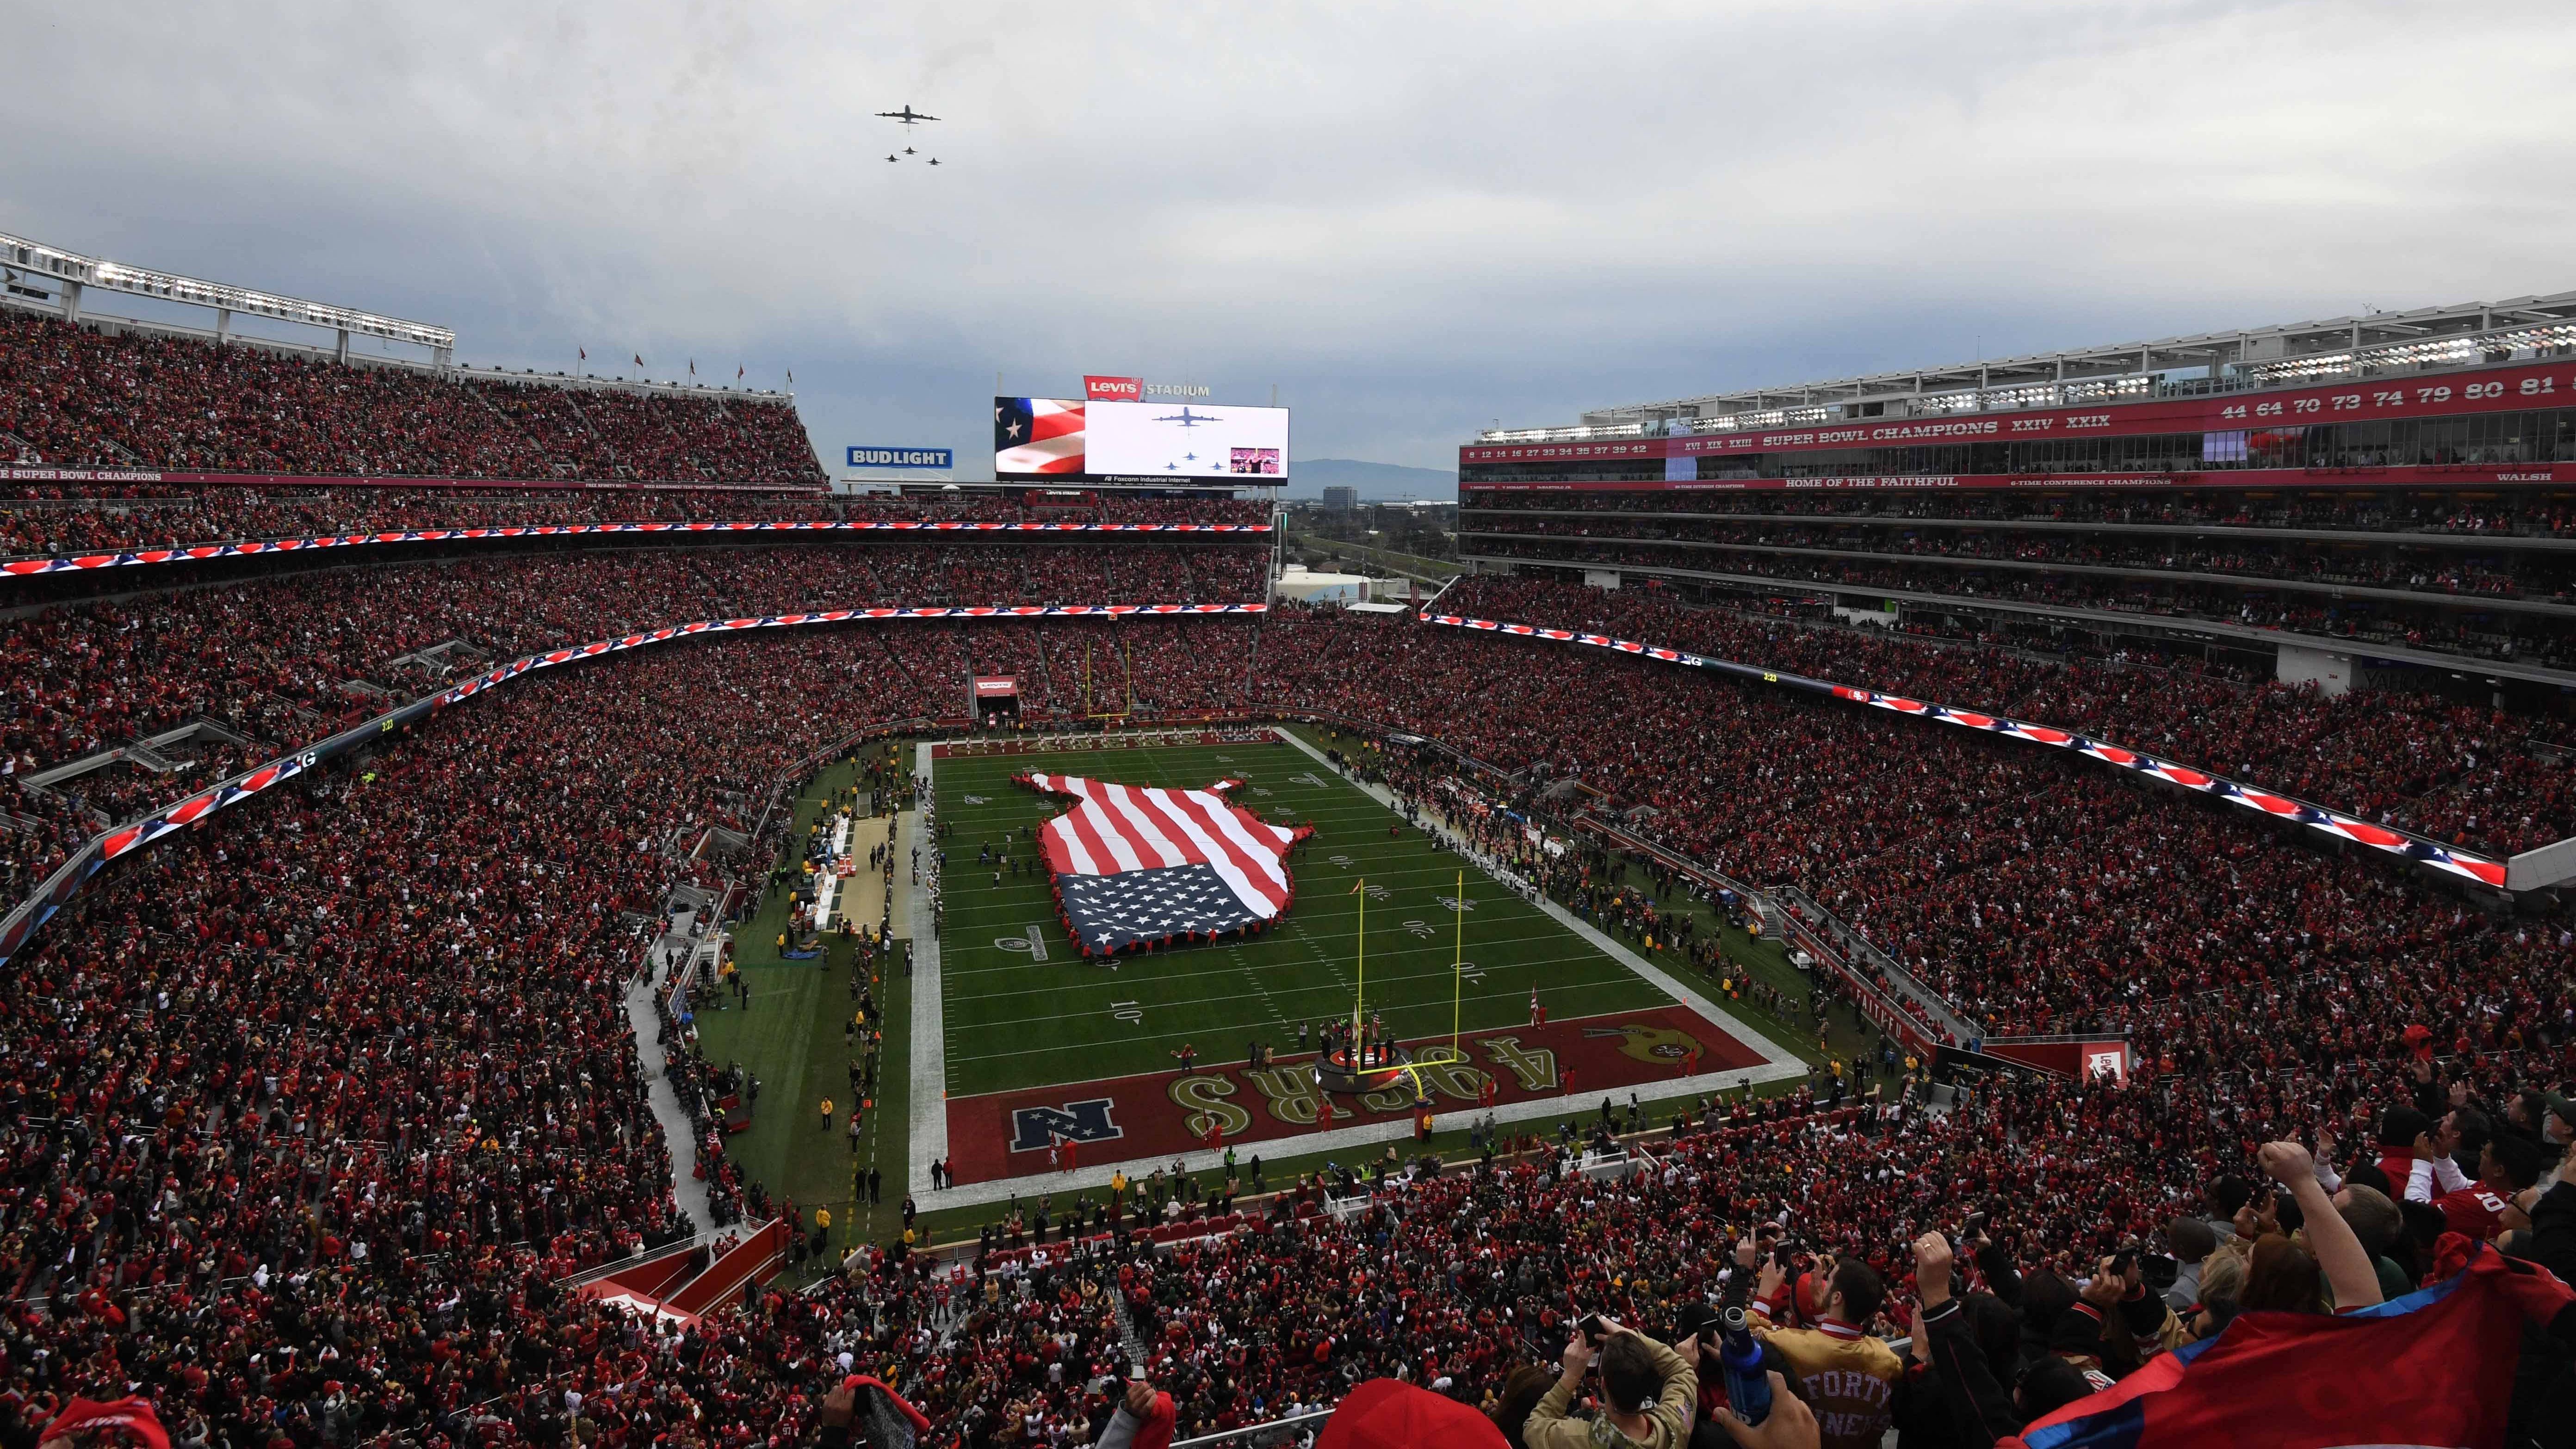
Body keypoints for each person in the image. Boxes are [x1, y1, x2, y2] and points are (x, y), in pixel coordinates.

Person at [1523, 1316, 1697, 1449]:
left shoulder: (1578, 1439)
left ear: (1603, 1383)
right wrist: (1631, 1338)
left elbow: (1533, 1428)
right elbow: (1681, 1369)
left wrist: (1570, 1376)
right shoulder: (1675, 1426)